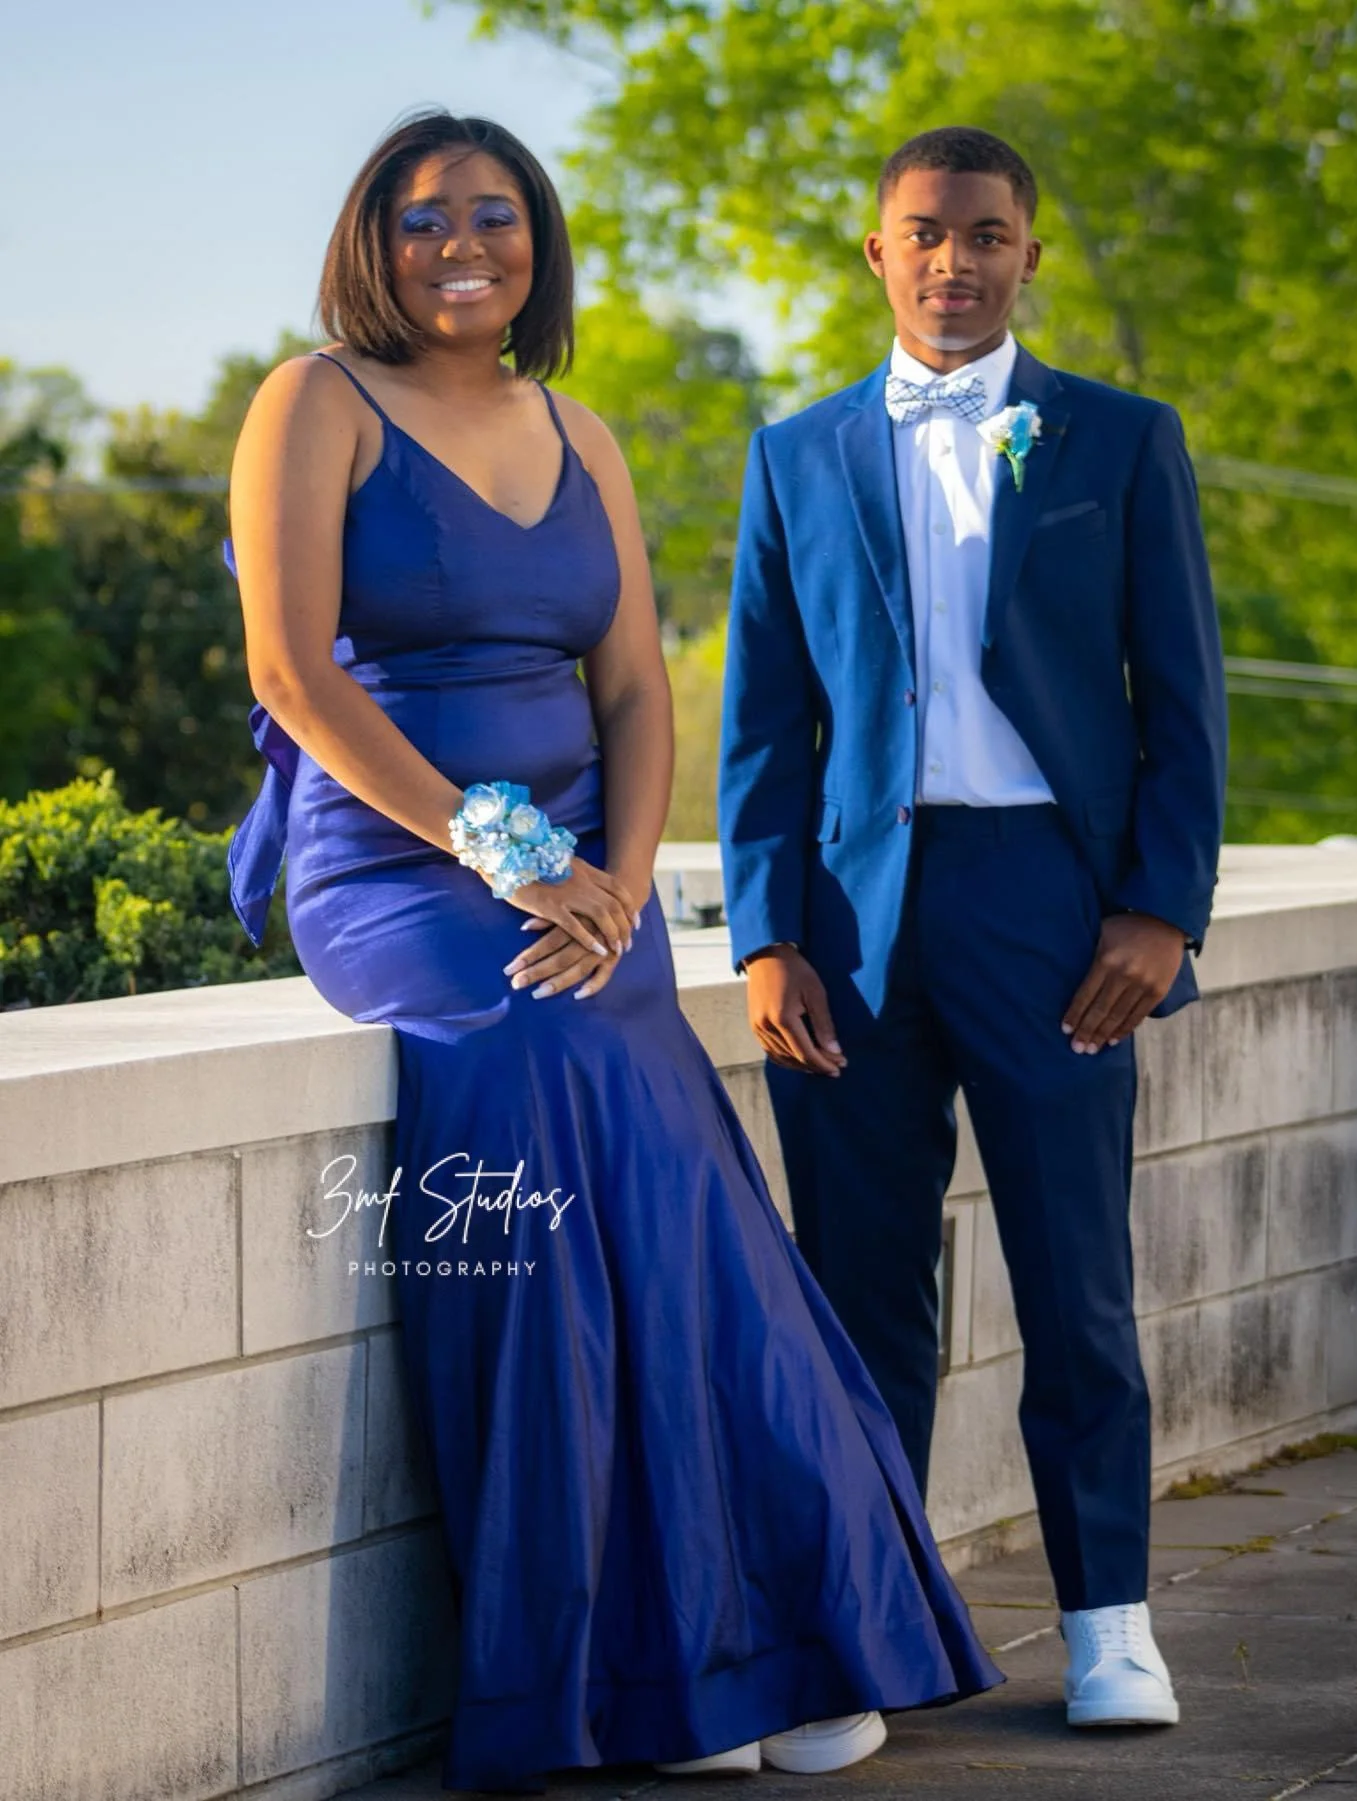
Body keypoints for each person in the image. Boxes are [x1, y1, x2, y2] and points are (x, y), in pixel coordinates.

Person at [224, 109, 1001, 1797]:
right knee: (533, 1055)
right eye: (424, 220)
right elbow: (294, 674)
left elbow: (638, 686)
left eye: (496, 218)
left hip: (585, 877)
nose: (462, 246)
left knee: (679, 1189)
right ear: (374, 240)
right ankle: (615, 1672)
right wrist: (507, 852)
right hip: (395, 866)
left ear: (537, 245)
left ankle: (764, 1638)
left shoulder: (577, 427)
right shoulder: (314, 404)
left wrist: (624, 880)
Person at [719, 125, 1227, 1732]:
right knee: (858, 1292)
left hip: (1049, 908)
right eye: (926, 233)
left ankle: (1109, 1621)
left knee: (1075, 1275)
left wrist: (1159, 907)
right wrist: (763, 934)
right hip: (853, 932)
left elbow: (1183, 701)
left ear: (1029, 252)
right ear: (877, 253)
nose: (956, 261)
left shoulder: (1121, 442)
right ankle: (866, 1645)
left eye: (988, 234)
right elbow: (764, 723)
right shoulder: (793, 456)